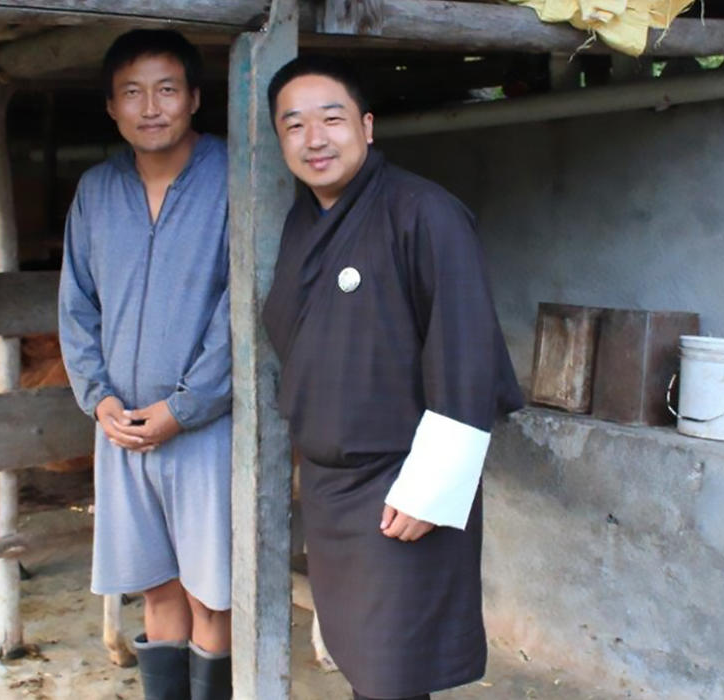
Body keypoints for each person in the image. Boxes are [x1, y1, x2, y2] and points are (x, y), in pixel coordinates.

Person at [262, 56, 524, 700]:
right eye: (294, 126)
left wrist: (430, 489)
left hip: (400, 485)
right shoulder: (302, 222)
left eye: (332, 119)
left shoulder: (423, 212)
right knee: (363, 662)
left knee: (395, 673)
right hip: (331, 486)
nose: (314, 139)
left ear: (368, 126)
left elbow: (466, 353)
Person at [58, 29, 232, 700]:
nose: (150, 107)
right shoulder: (97, 190)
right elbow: (76, 303)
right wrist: (97, 398)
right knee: (157, 590)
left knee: (212, 597)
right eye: (132, 92)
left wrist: (184, 408)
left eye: (165, 90)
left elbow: (243, 303)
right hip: (121, 428)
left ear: (193, 97)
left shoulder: (235, 175)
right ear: (111, 107)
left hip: (207, 427)